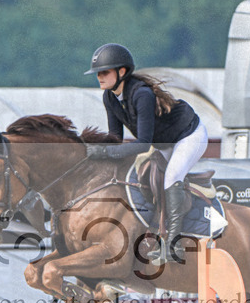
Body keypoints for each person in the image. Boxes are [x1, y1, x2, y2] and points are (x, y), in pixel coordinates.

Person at [84, 43, 208, 265]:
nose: (99, 77)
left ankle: (173, 244)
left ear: (122, 72)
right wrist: (98, 154)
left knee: (171, 178)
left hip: (189, 136)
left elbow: (142, 144)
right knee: (146, 177)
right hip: (166, 142)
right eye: (98, 73)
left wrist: (103, 151)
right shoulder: (109, 98)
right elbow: (115, 138)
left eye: (104, 72)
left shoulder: (142, 95)